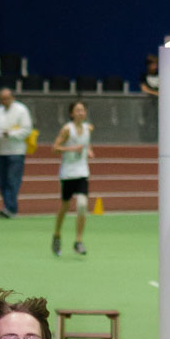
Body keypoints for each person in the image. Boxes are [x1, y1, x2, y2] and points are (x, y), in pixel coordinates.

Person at [51, 101, 94, 257]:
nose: (81, 113)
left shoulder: (88, 128)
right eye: (77, 110)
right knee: (65, 207)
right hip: (68, 173)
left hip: (83, 172)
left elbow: (86, 144)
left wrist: (89, 150)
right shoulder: (67, 130)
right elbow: (55, 148)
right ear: (71, 114)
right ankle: (56, 234)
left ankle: (78, 241)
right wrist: (71, 149)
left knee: (82, 205)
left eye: (83, 110)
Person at [0, 87, 32, 219]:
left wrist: (10, 134)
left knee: (13, 180)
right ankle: (7, 206)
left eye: (6, 98)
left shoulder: (21, 110)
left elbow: (27, 130)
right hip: (2, 150)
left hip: (16, 150)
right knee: (2, 181)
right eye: (2, 99)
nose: (4, 101)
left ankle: (10, 208)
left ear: (12, 98)